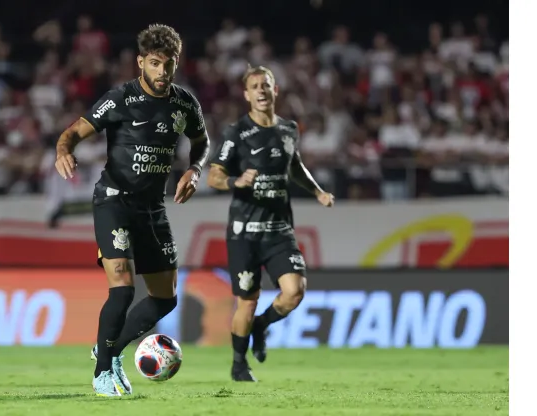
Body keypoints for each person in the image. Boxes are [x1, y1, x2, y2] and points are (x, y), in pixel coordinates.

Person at [54, 24, 210, 397]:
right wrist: (63, 150)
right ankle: (102, 371)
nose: (161, 72)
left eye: (168, 64)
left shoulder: (184, 103)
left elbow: (201, 143)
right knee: (122, 288)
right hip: (114, 200)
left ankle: (108, 347)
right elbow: (74, 131)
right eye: (154, 63)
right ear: (141, 62)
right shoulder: (120, 99)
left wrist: (194, 168)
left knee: (165, 297)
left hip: (152, 209)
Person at [206, 65, 334, 382]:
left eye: (266, 85)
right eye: (255, 86)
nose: (261, 90)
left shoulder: (290, 128)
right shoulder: (236, 133)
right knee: (246, 304)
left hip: (279, 231)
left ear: (275, 91)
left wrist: (317, 191)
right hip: (245, 234)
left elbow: (295, 166)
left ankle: (262, 326)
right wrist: (237, 181)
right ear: (247, 95)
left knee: (295, 291)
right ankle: (239, 364)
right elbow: (214, 176)